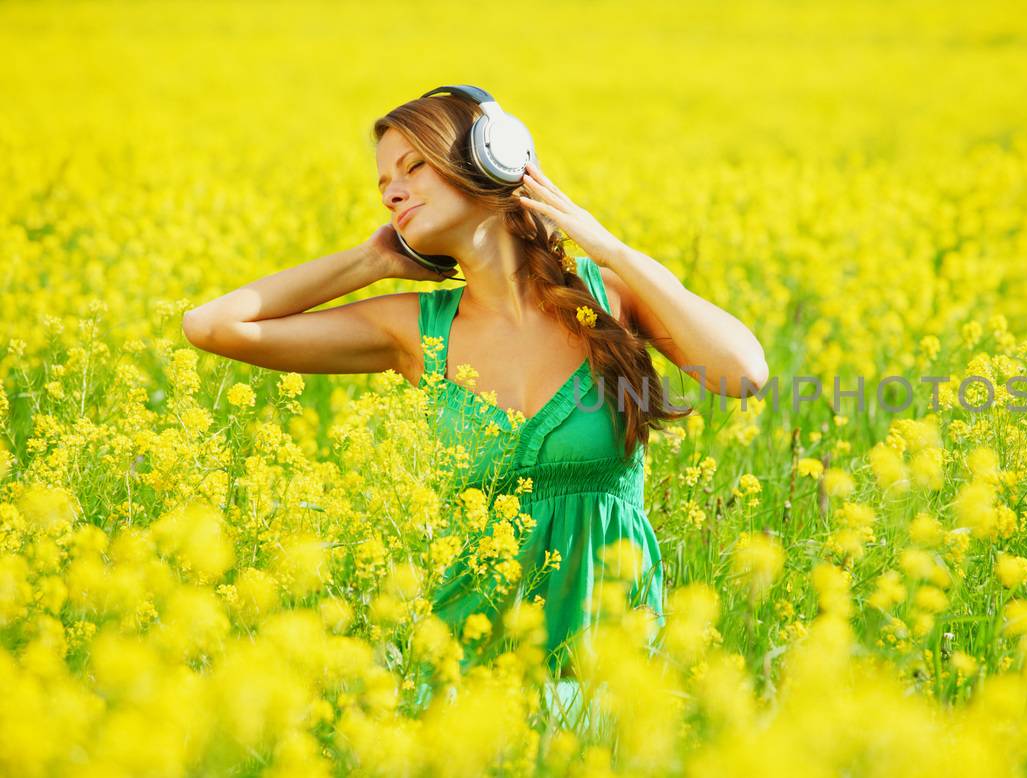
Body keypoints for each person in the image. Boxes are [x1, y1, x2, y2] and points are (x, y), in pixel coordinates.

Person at [181, 88, 769, 713]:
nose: (391, 192)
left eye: (413, 167)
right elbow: (213, 326)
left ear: (491, 159)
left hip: (613, 681)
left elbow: (743, 372)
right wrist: (370, 259)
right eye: (383, 181)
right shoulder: (413, 330)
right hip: (464, 687)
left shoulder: (609, 299)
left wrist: (611, 250)